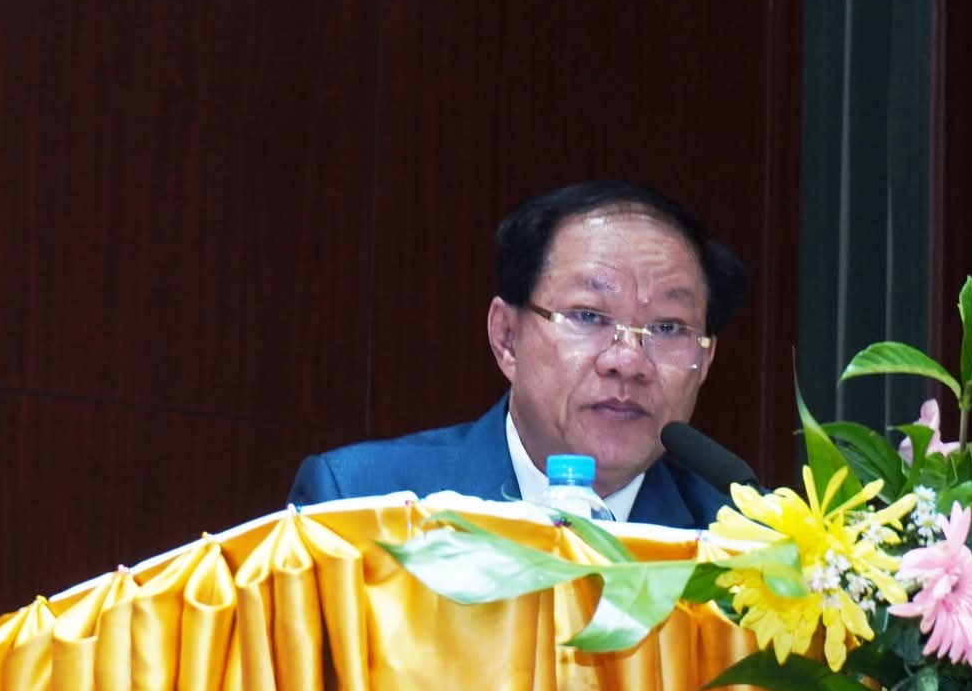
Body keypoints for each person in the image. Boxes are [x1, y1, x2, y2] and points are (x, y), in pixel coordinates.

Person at [288, 180, 748, 528]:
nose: (627, 362)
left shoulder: (745, 549)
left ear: (705, 362)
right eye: (588, 316)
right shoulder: (359, 505)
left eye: (668, 328)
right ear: (507, 337)